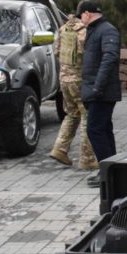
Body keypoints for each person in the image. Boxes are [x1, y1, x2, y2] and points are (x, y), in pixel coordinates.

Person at [77, 0, 121, 187]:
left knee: (95, 129)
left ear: (87, 13)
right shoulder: (97, 30)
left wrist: (97, 87)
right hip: (96, 89)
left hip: (101, 91)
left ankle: (108, 173)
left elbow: (109, 58)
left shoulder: (107, 30)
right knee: (103, 129)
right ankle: (112, 169)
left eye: (81, 17)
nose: (81, 20)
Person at [48, 13, 97, 171]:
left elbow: (56, 52)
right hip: (79, 80)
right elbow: (90, 55)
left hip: (64, 80)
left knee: (71, 114)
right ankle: (87, 159)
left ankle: (60, 149)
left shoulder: (63, 30)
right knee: (87, 116)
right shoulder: (84, 32)